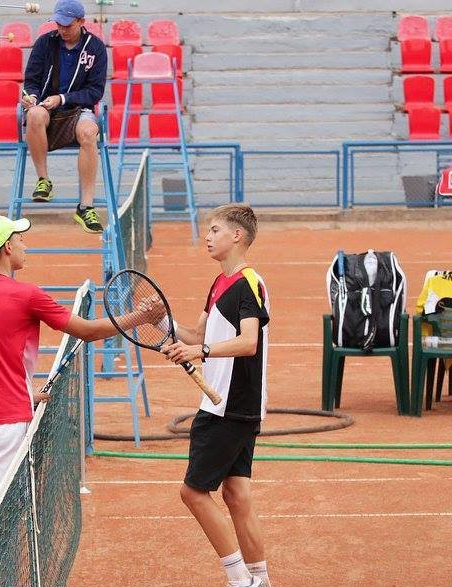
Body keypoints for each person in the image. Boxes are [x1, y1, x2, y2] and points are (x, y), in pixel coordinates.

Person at [0, 214, 161, 533]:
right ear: (8, 247)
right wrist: (142, 316)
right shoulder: (26, 295)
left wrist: (25, 395)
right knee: (3, 512)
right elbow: (89, 331)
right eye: (20, 239)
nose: (25, 244)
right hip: (5, 420)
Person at [161, 204, 273, 587]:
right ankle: (261, 579)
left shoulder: (248, 284)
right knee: (237, 494)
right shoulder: (219, 284)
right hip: (232, 404)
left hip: (227, 405)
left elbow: (248, 342)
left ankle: (239, 579)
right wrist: (158, 321)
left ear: (236, 237)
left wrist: (201, 353)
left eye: (214, 230)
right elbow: (197, 337)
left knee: (192, 493)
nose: (207, 237)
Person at [20, 0, 108, 234]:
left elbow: (95, 92)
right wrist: (31, 97)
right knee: (35, 114)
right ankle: (43, 180)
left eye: (67, 25)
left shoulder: (96, 48)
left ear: (81, 22)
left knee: (89, 133)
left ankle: (86, 206)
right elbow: (31, 81)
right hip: (46, 109)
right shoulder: (44, 43)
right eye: (59, 24)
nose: (62, 29)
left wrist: (63, 98)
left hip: (78, 109)